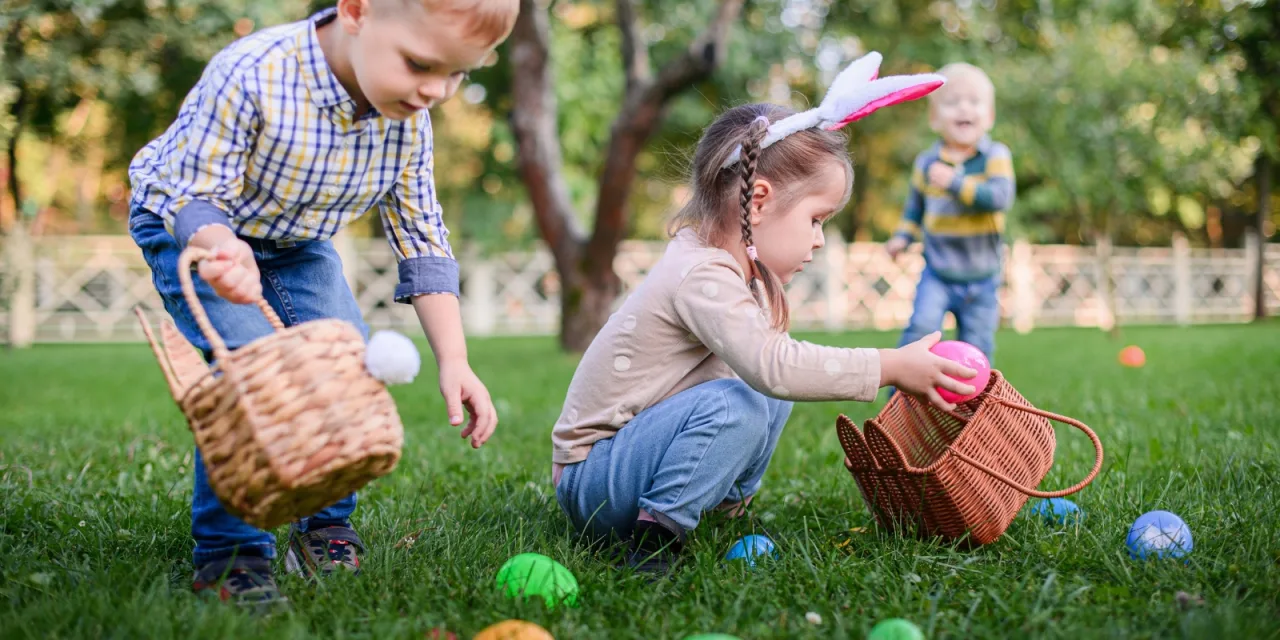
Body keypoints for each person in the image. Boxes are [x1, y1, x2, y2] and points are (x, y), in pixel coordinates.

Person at [127, 0, 517, 605]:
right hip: (192, 224)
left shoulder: (409, 117)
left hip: (296, 242)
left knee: (347, 359)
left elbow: (421, 239)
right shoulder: (255, 72)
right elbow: (193, 191)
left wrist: (455, 358)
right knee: (250, 371)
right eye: (419, 64)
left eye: (458, 74)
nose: (435, 91)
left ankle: (325, 523)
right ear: (357, 10)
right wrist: (222, 249)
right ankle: (231, 557)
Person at [549, 62, 977, 576]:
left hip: (625, 464)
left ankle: (722, 506)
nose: (819, 239)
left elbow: (777, 373)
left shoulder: (732, 272)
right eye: (815, 219)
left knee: (764, 395)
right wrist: (887, 365)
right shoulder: (701, 275)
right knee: (748, 395)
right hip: (592, 482)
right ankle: (656, 538)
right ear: (758, 200)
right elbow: (774, 366)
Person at [886, 62, 1015, 365]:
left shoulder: (995, 156)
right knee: (920, 329)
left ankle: (974, 409)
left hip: (983, 276)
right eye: (952, 102)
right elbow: (914, 210)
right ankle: (900, 401)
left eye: (974, 102)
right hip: (938, 272)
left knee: (978, 347)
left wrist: (956, 183)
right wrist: (902, 237)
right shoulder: (926, 162)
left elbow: (999, 198)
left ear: (990, 116)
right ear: (934, 118)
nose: (963, 109)